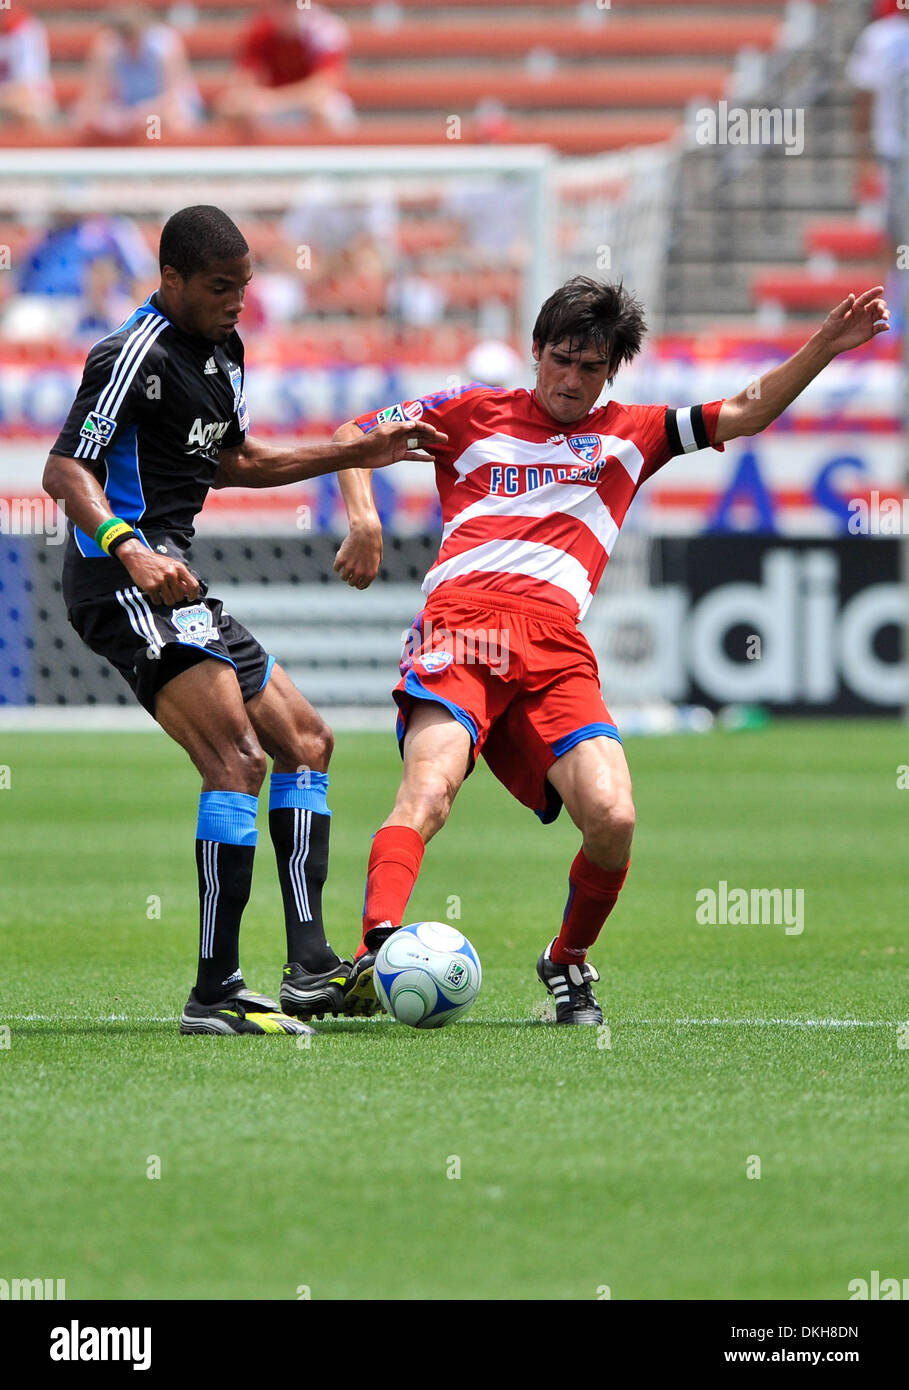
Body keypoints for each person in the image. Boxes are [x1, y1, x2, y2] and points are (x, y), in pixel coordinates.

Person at [332, 275, 889, 1023]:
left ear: (610, 372)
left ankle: (566, 963)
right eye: (561, 359)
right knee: (429, 791)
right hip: (460, 629)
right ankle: (377, 948)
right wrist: (364, 521)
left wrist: (824, 343)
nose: (571, 379)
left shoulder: (634, 432)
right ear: (535, 351)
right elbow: (351, 438)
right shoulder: (465, 411)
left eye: (590, 368)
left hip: (555, 645)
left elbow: (749, 411)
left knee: (614, 818)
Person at [42, 204, 444, 1036]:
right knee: (236, 758)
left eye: (245, 287)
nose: (236, 302)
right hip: (120, 580)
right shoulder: (128, 355)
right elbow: (64, 471)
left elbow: (235, 460)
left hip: (179, 583)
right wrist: (130, 549)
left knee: (306, 742)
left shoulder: (223, 352)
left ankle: (308, 968)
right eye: (220, 288)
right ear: (172, 280)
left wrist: (355, 453)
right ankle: (215, 992)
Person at [216, 0, 355, 134]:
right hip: (275, 107)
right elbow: (243, 82)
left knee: (325, 110)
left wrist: (272, 100)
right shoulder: (260, 30)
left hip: (301, 105)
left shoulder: (324, 29)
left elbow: (324, 87)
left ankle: (324, 156)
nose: (284, 7)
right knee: (232, 107)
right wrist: (252, 99)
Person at [73, 7, 203, 141]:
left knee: (174, 119)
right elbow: (93, 97)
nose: (128, 41)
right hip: (126, 112)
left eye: (131, 34)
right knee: (85, 118)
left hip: (160, 111)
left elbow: (174, 96)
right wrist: (116, 117)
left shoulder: (165, 44)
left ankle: (169, 156)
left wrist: (142, 114)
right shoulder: (107, 46)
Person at [847, 0, 909, 249]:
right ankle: (893, 286)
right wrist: (862, 158)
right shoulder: (879, 37)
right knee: (892, 231)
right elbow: (864, 99)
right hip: (892, 150)